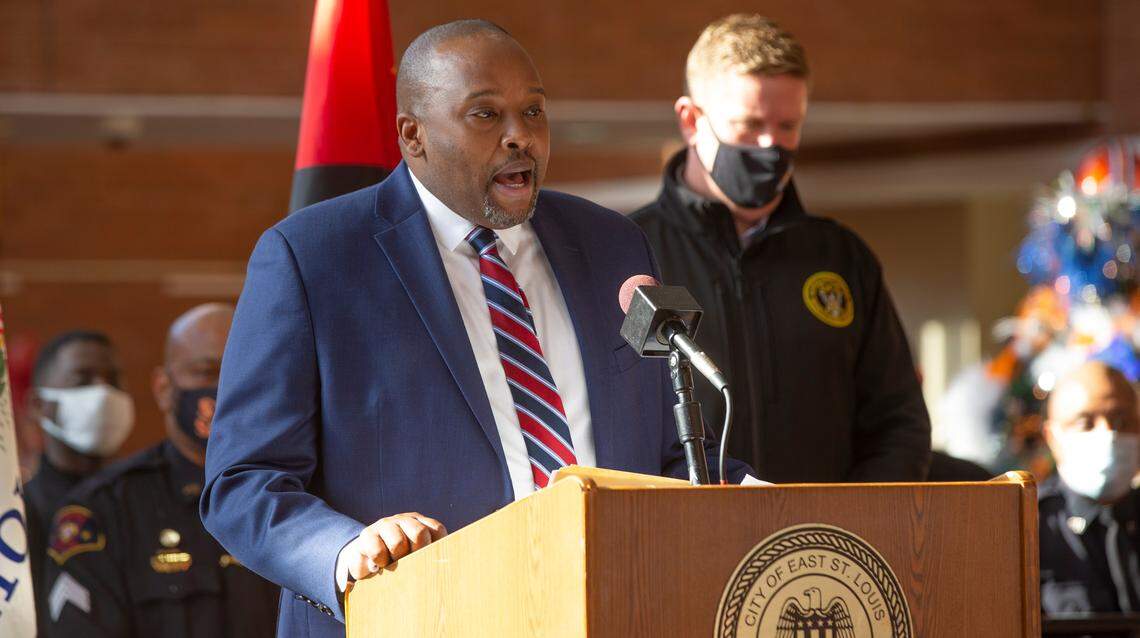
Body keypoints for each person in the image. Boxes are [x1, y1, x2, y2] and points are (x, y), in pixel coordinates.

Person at [200, 20, 748, 638]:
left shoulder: (611, 244)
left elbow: (670, 452)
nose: (521, 137)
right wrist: (345, 548)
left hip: (613, 610)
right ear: (413, 135)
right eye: (486, 115)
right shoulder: (315, 257)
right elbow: (243, 484)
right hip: (415, 618)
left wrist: (749, 494)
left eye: (533, 111)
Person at [630, 14, 930, 483]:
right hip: (684, 526)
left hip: (823, 530)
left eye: (788, 125)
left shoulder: (842, 258)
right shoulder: (631, 255)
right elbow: (612, 422)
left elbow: (899, 424)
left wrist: (856, 515)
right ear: (691, 120)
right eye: (749, 125)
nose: (770, 144)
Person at [42, 303, 279, 637]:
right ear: (163, 388)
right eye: (206, 372)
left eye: (242, 370)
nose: (227, 387)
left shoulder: (294, 494)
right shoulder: (105, 511)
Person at [22, 330, 134, 631]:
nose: (103, 393)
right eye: (82, 380)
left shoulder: (145, 503)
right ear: (38, 404)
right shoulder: (19, 514)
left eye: (113, 380)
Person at [1038, 361, 1140, 631]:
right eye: (1085, 423)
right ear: (1052, 437)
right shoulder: (1028, 528)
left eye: (1121, 420)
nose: (1108, 434)